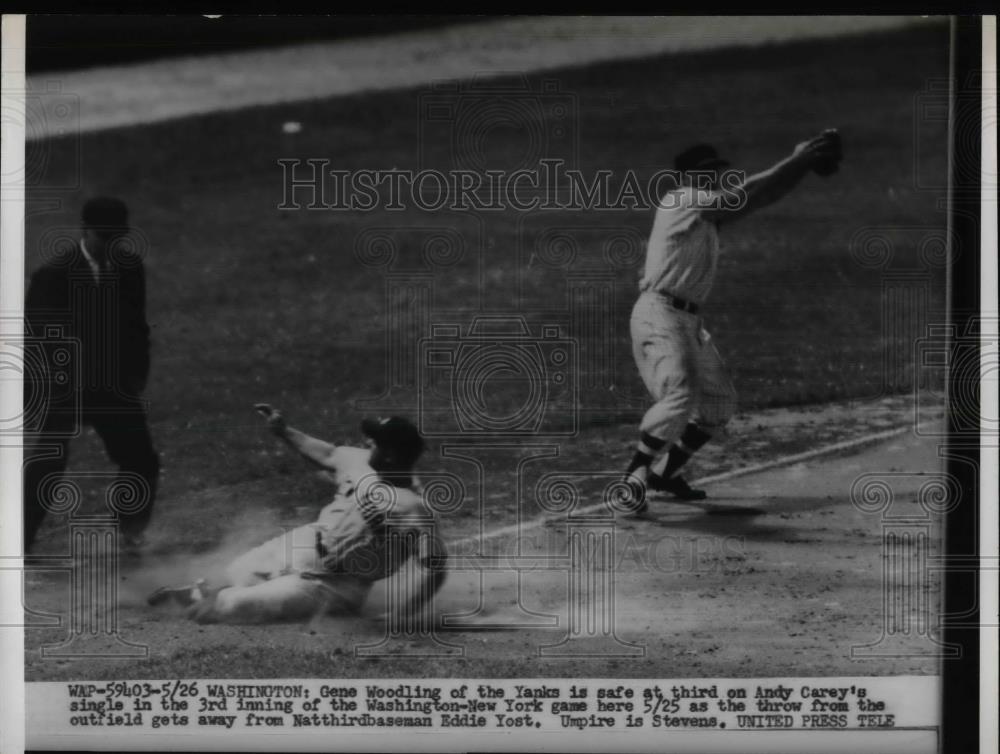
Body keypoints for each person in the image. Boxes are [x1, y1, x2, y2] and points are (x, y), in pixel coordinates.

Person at [624, 131, 842, 512]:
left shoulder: (706, 211)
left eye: (716, 171)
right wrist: (794, 160)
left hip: (686, 321)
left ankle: (665, 474)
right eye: (705, 172)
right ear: (688, 175)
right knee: (681, 394)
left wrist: (801, 167)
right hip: (659, 314)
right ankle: (633, 478)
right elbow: (740, 196)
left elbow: (759, 197)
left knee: (719, 404)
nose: (712, 177)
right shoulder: (682, 199)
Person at [148, 408, 448, 625]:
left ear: (392, 455)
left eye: (375, 440)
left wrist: (403, 614)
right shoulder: (359, 461)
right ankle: (205, 592)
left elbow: (436, 569)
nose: (367, 441)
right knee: (237, 571)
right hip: (304, 543)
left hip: (336, 583)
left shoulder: (413, 509)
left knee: (232, 605)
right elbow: (326, 453)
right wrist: (284, 430)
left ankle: (209, 599)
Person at [23, 197, 159, 551]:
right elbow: (38, 340)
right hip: (64, 386)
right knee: (50, 462)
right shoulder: (53, 274)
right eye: (104, 237)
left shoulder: (129, 268)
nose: (110, 246)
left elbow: (136, 327)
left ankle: (130, 532)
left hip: (111, 385)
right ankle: (18, 540)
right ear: (86, 231)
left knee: (141, 459)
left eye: (117, 238)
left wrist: (135, 375)